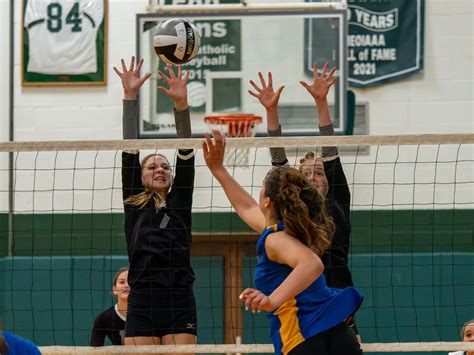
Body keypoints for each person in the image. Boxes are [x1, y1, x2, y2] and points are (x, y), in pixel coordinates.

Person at [203, 131, 363, 355]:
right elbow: (245, 206)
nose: (256, 194)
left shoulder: (276, 239)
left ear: (268, 202)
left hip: (305, 334)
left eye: (260, 187)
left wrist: (271, 300)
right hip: (334, 331)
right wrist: (217, 169)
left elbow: (313, 264)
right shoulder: (287, 229)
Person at [249, 62, 360, 339]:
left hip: (338, 296)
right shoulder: (290, 209)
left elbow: (330, 149)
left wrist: (321, 102)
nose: (313, 177)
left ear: (328, 179)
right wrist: (270, 111)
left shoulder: (337, 201)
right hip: (304, 302)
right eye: (306, 173)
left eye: (319, 172)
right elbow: (278, 161)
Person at [114, 57, 197, 347]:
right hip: (143, 299)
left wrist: (181, 105)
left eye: (165, 166)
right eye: (152, 167)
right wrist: (130, 97)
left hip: (179, 297)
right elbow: (129, 150)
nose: (160, 169)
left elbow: (186, 152)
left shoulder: (180, 201)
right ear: (141, 176)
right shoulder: (134, 202)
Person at [90, 267, 129, 346]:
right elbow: (94, 350)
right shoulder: (104, 318)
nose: (127, 285)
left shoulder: (147, 315)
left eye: (131, 282)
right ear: (114, 289)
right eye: (122, 282)